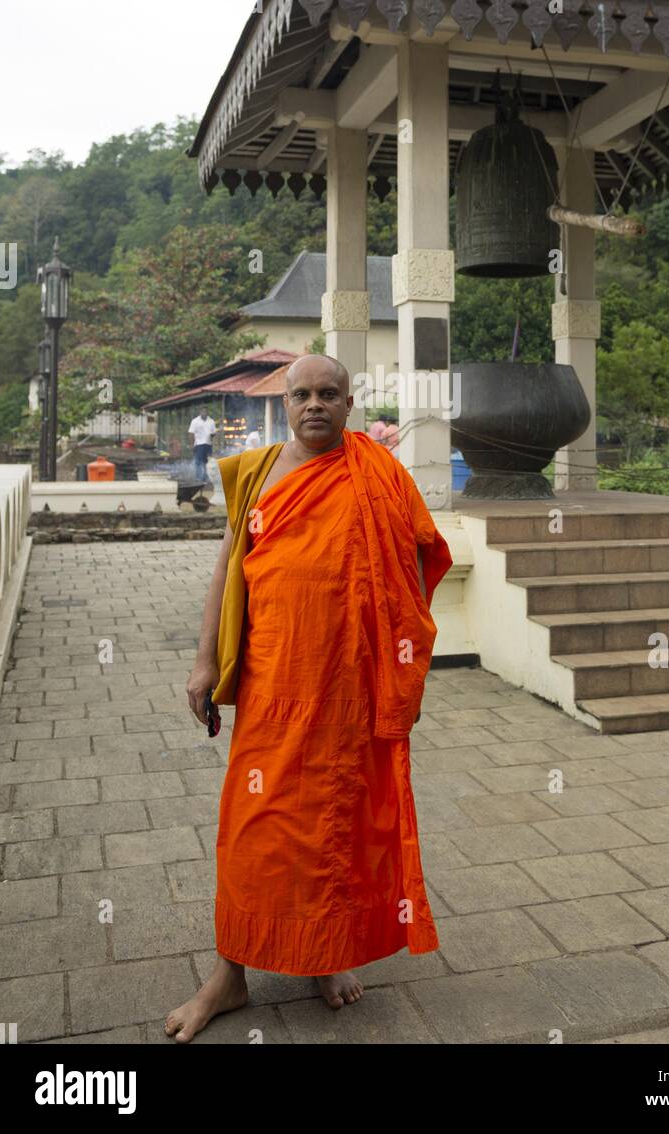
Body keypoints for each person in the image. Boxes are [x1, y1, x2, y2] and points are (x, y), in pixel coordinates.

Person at [165, 355, 452, 1043]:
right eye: (302, 394)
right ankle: (229, 974)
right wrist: (205, 662)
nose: (315, 404)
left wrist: (403, 668)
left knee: (339, 827)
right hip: (275, 686)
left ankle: (325, 956)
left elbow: (415, 567)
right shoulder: (255, 475)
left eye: (329, 393)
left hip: (349, 692)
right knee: (255, 829)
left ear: (350, 404)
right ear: (284, 403)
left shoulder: (379, 473)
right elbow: (228, 569)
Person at [188, 407, 216, 483]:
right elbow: (191, 433)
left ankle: (206, 478)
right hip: (199, 444)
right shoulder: (195, 421)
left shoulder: (211, 421)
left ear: (207, 412)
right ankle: (199, 478)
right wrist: (191, 444)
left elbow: (213, 433)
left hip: (208, 444)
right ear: (200, 412)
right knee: (199, 462)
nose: (204, 413)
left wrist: (213, 436)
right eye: (202, 411)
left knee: (207, 462)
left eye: (205, 411)